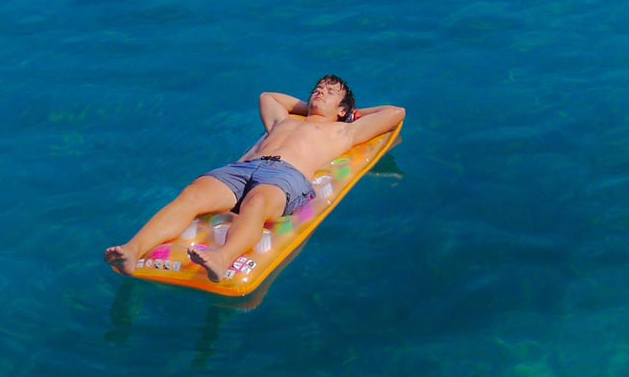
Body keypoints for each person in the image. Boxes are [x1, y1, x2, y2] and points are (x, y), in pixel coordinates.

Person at [104, 75, 405, 282]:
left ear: (343, 109)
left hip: (287, 176)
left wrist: (351, 115)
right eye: (318, 87)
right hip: (243, 168)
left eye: (329, 91)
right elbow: (268, 96)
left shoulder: (343, 131)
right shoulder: (283, 120)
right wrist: (311, 109)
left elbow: (395, 112)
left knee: (257, 203)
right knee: (192, 195)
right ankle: (132, 250)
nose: (319, 92)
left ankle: (222, 259)